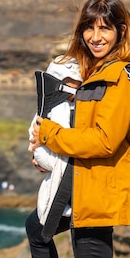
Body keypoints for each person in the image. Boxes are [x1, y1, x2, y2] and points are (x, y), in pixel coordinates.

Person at [26, 0, 130, 258]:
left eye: (104, 28)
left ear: (121, 31)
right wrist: (51, 156)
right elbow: (79, 123)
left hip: (97, 188)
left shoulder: (118, 79)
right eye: (89, 27)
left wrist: (48, 136)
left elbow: (103, 141)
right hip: (82, 178)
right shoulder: (94, 70)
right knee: (37, 228)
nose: (95, 36)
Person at [29, 56, 82, 229]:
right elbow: (60, 134)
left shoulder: (59, 104)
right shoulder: (60, 107)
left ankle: (59, 208)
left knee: (36, 227)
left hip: (56, 156)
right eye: (72, 83)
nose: (76, 88)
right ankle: (61, 208)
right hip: (49, 155)